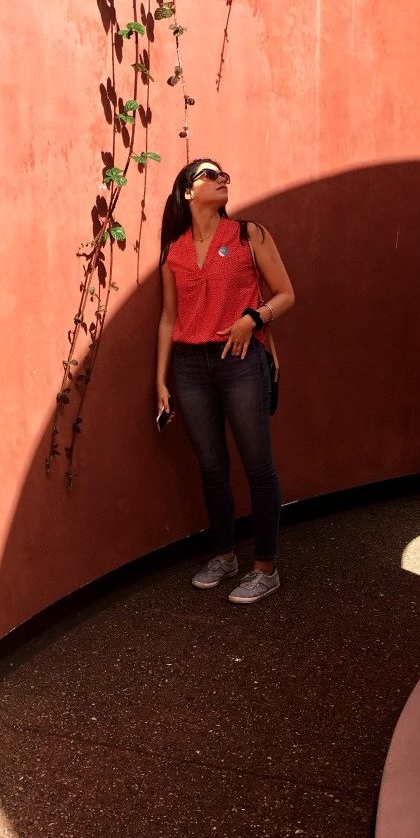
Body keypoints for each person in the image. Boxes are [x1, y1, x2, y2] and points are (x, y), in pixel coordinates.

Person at [156, 158, 295, 603]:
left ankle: (265, 566)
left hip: (240, 361)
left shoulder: (247, 235)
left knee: (258, 463)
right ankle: (224, 555)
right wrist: (160, 381)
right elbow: (167, 318)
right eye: (210, 175)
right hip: (190, 367)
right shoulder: (174, 249)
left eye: (225, 175)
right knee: (212, 468)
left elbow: (287, 293)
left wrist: (252, 319)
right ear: (188, 191)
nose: (223, 180)